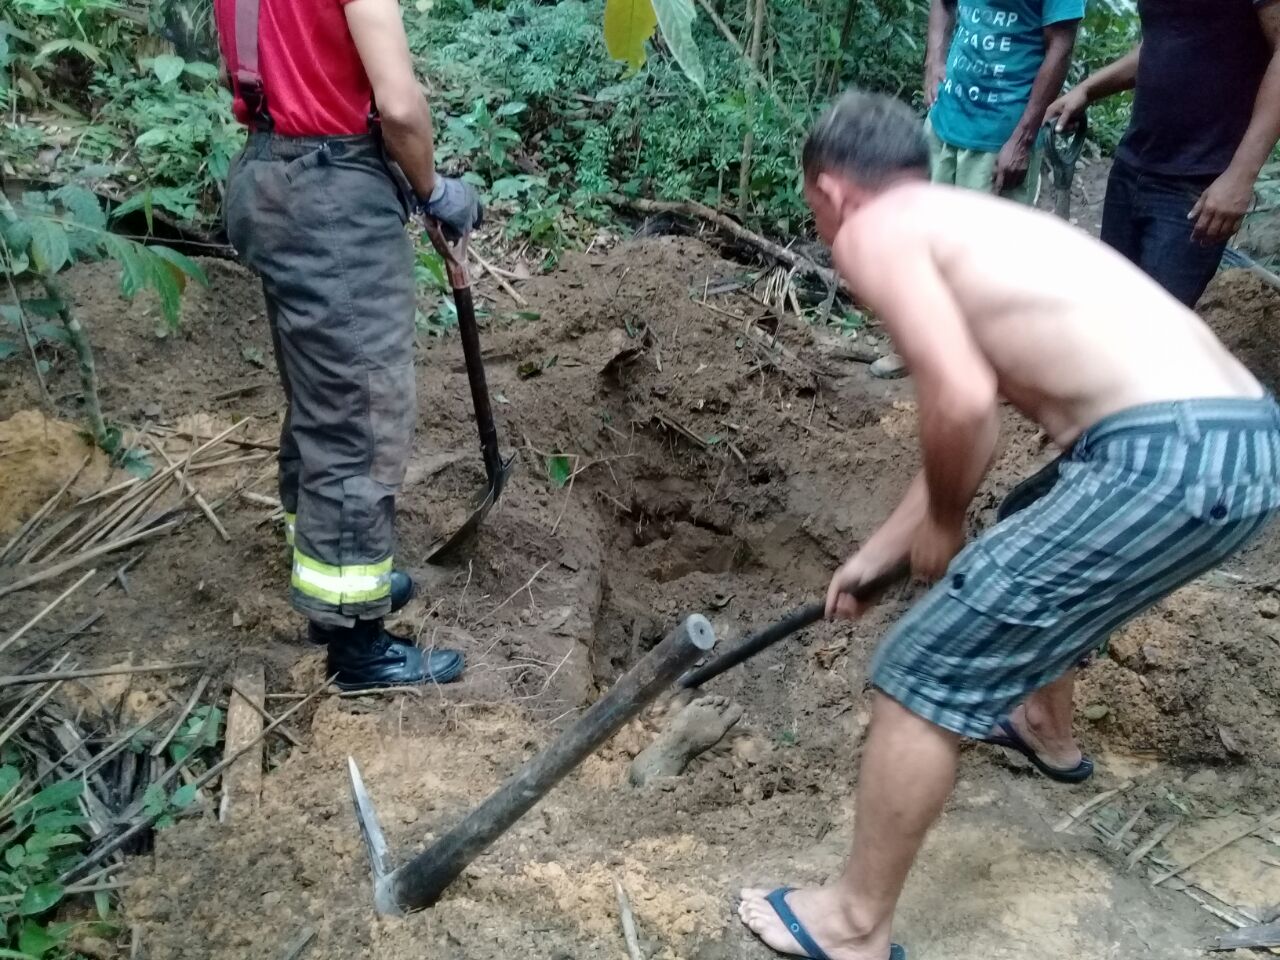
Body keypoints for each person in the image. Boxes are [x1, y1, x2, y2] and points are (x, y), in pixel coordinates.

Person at [738, 90, 1280, 960]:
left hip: (1161, 458)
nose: (826, 231)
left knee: (922, 672)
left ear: (833, 191)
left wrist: (945, 526)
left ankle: (850, 926)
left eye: (816, 212)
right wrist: (882, 553)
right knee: (1034, 526)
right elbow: (980, 396)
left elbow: (954, 402)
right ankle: (1045, 731)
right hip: (1243, 442)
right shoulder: (970, 224)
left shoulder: (875, 230)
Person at [213, 0, 481, 689]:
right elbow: (397, 105)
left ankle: (332, 592)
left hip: (267, 174)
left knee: (320, 400)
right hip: (331, 192)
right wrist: (434, 188)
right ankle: (358, 648)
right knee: (360, 419)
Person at [869, 0, 1081, 380]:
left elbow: (1060, 45)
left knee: (987, 257)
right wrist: (934, 59)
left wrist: (1023, 137)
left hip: (1000, 131)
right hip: (947, 117)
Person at [1048, 0, 1280, 309]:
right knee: (1110, 312)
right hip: (1133, 165)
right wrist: (1088, 89)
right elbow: (1165, 41)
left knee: (1155, 329)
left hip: (1196, 185)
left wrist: (1240, 176)